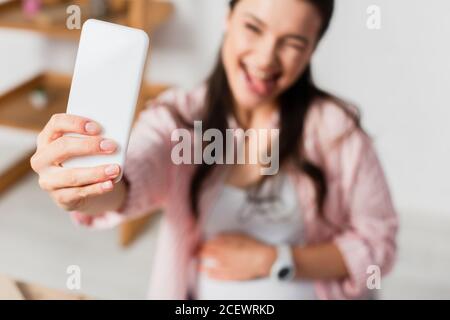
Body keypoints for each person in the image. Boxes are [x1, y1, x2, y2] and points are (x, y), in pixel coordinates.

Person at [30, 0, 398, 299]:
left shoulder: (338, 131)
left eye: (293, 42)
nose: (267, 59)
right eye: (253, 27)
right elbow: (131, 179)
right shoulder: (177, 117)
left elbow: (379, 245)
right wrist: (82, 190)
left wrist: (274, 260)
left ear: (313, 48)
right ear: (228, 19)